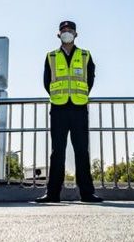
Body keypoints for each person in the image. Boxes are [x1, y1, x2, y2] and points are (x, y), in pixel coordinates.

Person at [35, 20, 103, 203]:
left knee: (82, 151)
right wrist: (59, 96)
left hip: (79, 108)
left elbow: (90, 78)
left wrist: (80, 95)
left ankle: (88, 194)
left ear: (76, 34)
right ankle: (52, 194)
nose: (67, 33)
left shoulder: (85, 55)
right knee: (58, 151)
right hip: (58, 108)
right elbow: (46, 81)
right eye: (64, 30)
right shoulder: (51, 56)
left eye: (70, 30)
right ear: (58, 34)